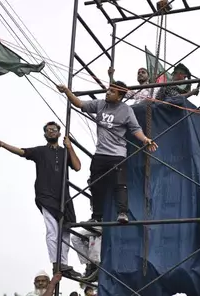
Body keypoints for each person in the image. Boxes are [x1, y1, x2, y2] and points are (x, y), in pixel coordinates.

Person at [56, 82, 158, 227]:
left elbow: (136, 129)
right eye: (108, 90)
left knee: (120, 184)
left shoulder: (126, 110)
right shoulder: (99, 104)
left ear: (120, 96)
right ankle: (97, 216)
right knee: (95, 184)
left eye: (112, 91)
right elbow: (79, 104)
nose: (108, 93)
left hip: (117, 154)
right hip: (100, 153)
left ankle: (122, 213)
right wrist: (66, 91)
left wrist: (145, 139)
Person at [0, 122, 82, 276]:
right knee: (52, 229)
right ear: (45, 134)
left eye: (54, 130)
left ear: (59, 133)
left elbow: (78, 167)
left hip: (63, 196)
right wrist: (3, 144)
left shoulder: (65, 152)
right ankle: (56, 263)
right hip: (45, 195)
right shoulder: (40, 151)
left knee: (66, 229)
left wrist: (70, 146)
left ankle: (64, 264)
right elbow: (21, 151)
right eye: (48, 130)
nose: (51, 132)